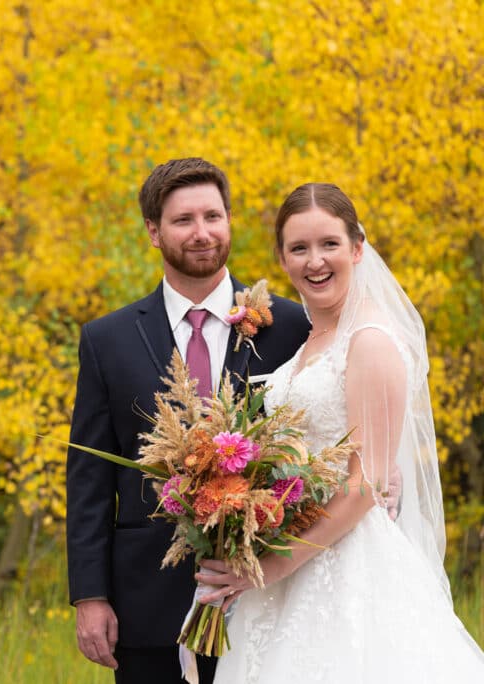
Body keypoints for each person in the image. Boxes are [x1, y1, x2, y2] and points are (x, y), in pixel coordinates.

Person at [196, 182, 484, 682]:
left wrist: (277, 565)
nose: (315, 261)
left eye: (329, 244)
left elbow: (366, 482)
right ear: (282, 261)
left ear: (357, 247)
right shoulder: (311, 340)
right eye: (299, 248)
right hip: (287, 562)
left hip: (348, 569)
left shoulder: (369, 340)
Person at [65, 158, 310, 683]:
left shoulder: (291, 326)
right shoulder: (106, 340)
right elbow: (89, 477)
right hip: (148, 602)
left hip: (270, 598)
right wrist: (89, 595)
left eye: (213, 216)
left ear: (229, 220)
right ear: (153, 231)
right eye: (183, 221)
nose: (202, 233)